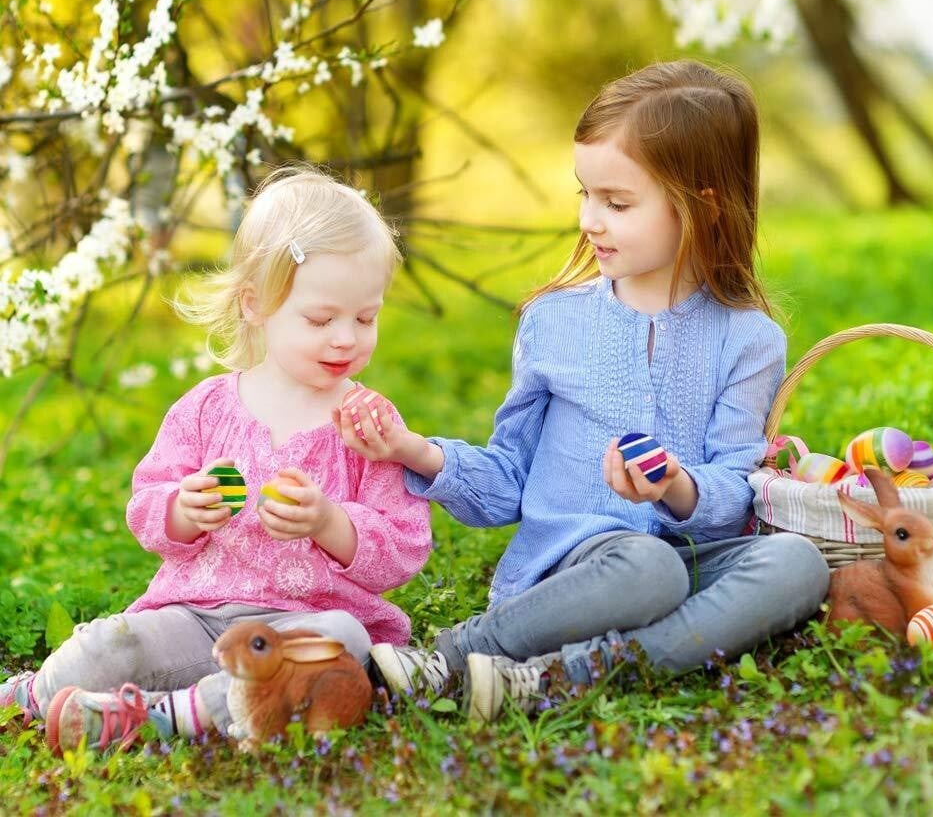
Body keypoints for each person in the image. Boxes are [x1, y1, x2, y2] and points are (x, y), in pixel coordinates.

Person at [338, 61, 829, 722]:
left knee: (797, 564)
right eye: (585, 195)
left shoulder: (749, 339)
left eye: (618, 204)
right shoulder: (555, 322)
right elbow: (511, 477)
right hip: (578, 565)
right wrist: (418, 452)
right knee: (647, 569)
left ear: (703, 205)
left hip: (693, 555)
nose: (590, 221)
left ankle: (555, 678)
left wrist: (675, 486)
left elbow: (734, 490)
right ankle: (455, 658)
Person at [1, 167, 432, 751]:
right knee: (112, 644)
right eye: (320, 319)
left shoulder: (368, 426)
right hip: (194, 617)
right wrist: (184, 508)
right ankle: (34, 694)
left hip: (298, 623)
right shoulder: (206, 408)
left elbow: (404, 549)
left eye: (365, 317)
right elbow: (147, 508)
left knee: (340, 641)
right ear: (255, 306)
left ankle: (159, 717)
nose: (345, 339)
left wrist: (331, 523)